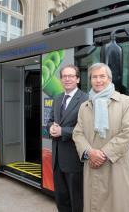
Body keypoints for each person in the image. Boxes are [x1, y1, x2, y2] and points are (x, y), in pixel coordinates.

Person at [73, 63, 129, 212]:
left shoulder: (126, 102)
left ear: (110, 79)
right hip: (92, 164)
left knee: (117, 205)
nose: (98, 80)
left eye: (102, 76)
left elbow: (128, 133)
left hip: (116, 167)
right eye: (94, 77)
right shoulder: (85, 106)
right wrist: (90, 152)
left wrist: (103, 154)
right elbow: (78, 133)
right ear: (90, 80)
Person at [46, 64, 88, 212]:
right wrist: (50, 127)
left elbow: (86, 129)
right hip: (57, 159)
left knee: (76, 200)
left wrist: (63, 131)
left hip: (74, 160)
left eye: (71, 76)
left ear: (77, 79)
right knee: (61, 199)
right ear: (61, 79)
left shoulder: (85, 99)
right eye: (64, 76)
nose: (67, 79)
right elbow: (50, 120)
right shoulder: (57, 98)